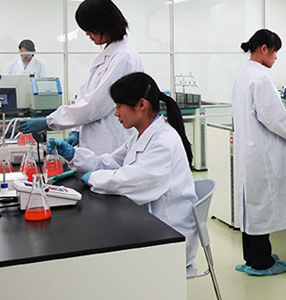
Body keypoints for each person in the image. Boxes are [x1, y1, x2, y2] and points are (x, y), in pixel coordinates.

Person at [47, 72, 198, 271]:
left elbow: (131, 181)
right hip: (152, 221)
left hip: (170, 233)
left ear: (141, 105)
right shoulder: (141, 136)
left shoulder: (164, 142)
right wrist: (74, 154)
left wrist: (93, 178)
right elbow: (110, 163)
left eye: (119, 106)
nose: (116, 114)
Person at [19, 0, 143, 154]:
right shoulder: (110, 55)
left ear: (104, 24)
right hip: (97, 145)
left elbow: (96, 104)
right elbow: (86, 97)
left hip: (111, 145)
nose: (87, 34)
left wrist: (49, 121)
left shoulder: (123, 57)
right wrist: (76, 132)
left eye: (89, 28)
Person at [232, 29, 286, 276]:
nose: (276, 57)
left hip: (249, 151)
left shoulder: (243, 75)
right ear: (264, 49)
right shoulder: (260, 78)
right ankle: (262, 262)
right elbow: (273, 117)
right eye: (275, 52)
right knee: (260, 206)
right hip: (261, 153)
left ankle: (252, 257)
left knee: (252, 206)